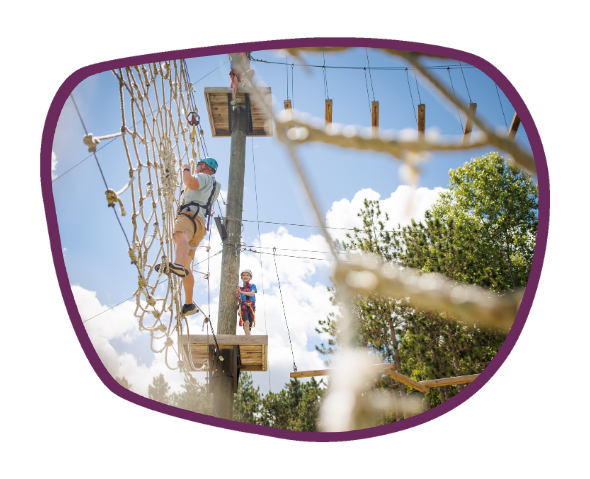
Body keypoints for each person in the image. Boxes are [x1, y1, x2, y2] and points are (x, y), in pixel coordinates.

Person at [155, 157, 221, 316]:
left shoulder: (204, 177)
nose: (196, 168)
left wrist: (186, 168)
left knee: (179, 236)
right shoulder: (215, 185)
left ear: (204, 166)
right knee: (187, 266)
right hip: (199, 224)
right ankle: (188, 304)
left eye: (198, 165)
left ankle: (176, 265)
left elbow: (190, 182)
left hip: (189, 217)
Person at [236, 269, 257, 335]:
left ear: (250, 277)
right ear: (241, 277)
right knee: (246, 321)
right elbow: (238, 299)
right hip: (243, 307)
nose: (245, 276)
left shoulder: (252, 286)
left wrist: (241, 292)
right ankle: (247, 337)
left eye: (247, 275)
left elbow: (252, 294)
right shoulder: (240, 288)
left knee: (250, 322)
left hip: (251, 307)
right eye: (244, 275)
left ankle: (248, 336)